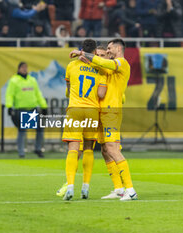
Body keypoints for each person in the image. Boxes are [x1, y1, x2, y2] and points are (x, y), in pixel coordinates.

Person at [69, 38, 138, 201]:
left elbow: (105, 67)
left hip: (111, 113)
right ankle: (119, 189)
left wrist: (81, 52)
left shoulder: (122, 63)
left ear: (117, 48)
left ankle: (131, 190)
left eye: (108, 48)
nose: (107, 51)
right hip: (100, 113)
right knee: (105, 151)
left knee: (113, 149)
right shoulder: (108, 69)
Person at [61, 39, 107, 201]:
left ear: (82, 50)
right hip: (92, 111)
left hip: (74, 109)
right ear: (95, 52)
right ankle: (86, 187)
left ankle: (70, 186)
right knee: (88, 148)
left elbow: (68, 89)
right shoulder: (100, 70)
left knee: (73, 148)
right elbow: (101, 94)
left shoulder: (71, 66)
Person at [5, 62, 48, 158]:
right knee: (22, 130)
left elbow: (38, 94)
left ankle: (38, 149)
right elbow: (9, 94)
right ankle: (21, 152)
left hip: (33, 110)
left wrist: (44, 106)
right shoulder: (14, 80)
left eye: (26, 67)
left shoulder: (32, 80)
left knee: (40, 129)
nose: (25, 69)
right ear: (18, 69)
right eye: (23, 67)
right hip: (21, 110)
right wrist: (9, 106)